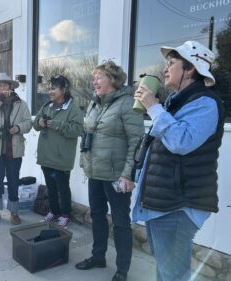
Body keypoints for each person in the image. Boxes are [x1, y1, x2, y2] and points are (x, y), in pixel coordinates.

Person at [132, 41, 224, 281]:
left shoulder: (206, 103)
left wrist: (153, 106)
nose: (165, 69)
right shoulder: (177, 102)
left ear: (190, 69)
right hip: (164, 202)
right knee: (166, 272)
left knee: (172, 275)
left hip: (177, 205)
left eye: (171, 63)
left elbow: (181, 142)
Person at [75, 61, 144, 281]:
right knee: (97, 216)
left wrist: (128, 174)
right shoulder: (94, 104)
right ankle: (98, 257)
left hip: (117, 175)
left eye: (99, 77)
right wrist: (85, 164)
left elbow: (137, 142)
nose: (94, 82)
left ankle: (122, 269)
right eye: (94, 78)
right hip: (95, 172)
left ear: (112, 80)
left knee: (121, 222)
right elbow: (88, 135)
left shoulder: (127, 103)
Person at [33, 75, 83, 228]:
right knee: (51, 188)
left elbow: (77, 130)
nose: (50, 91)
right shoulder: (47, 106)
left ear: (63, 90)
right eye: (49, 88)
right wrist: (39, 122)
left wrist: (55, 124)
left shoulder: (73, 108)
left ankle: (66, 215)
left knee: (63, 188)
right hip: (46, 156)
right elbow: (35, 124)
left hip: (61, 158)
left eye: (53, 88)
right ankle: (54, 212)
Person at [0, 73, 32, 225]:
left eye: (5, 85)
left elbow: (28, 123)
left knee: (13, 180)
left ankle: (14, 212)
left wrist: (18, 128)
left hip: (14, 149)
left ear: (11, 87)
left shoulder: (21, 104)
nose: (2, 88)